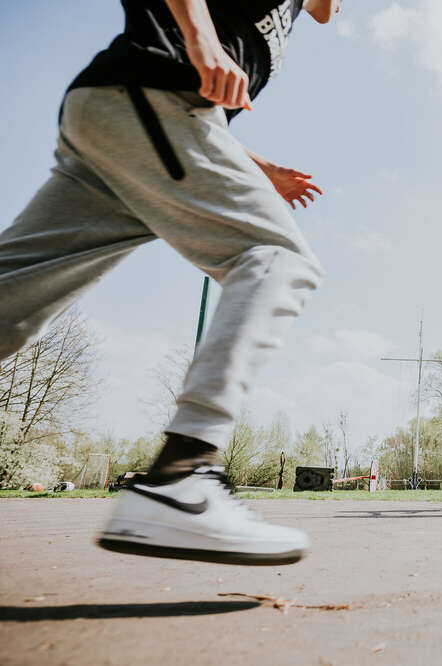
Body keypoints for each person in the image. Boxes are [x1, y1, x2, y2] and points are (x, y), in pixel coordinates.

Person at [0, 0, 344, 565]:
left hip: (122, 111)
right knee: (277, 257)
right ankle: (181, 476)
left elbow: (324, 12)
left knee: (10, 298)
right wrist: (200, 37)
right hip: (150, 94)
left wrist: (259, 167)